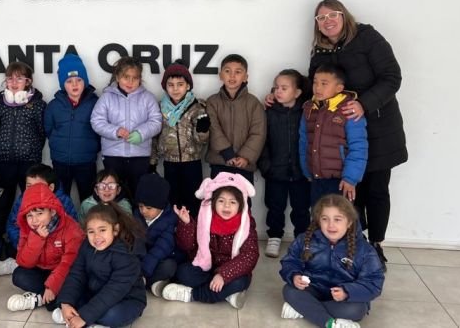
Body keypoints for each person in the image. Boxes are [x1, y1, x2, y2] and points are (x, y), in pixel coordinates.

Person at [307, 0, 407, 268]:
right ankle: (352, 245)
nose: (327, 21)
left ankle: (375, 245)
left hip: (377, 129)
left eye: (332, 15)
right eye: (321, 18)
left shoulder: (367, 37)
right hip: (337, 137)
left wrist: (364, 104)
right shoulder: (320, 50)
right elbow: (314, 86)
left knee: (375, 190)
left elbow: (391, 77)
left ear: (344, 16)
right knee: (349, 193)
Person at [279, 194, 385, 328]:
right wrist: (294, 276)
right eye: (325, 219)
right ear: (318, 220)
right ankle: (328, 322)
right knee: (289, 290)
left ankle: (304, 309)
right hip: (312, 290)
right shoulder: (304, 239)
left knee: (357, 310)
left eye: (337, 219)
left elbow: (374, 283)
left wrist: (347, 292)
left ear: (349, 222)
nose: (331, 225)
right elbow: (290, 262)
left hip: (343, 299)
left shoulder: (366, 250)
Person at [162, 172, 259, 309]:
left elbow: (250, 256)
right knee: (183, 272)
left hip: (230, 271)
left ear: (240, 205)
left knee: (239, 282)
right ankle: (226, 294)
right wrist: (186, 224)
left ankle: (192, 295)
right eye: (221, 201)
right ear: (213, 202)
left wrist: (223, 275)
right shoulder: (205, 217)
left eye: (232, 202)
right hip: (206, 268)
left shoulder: (246, 224)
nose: (226, 206)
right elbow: (187, 246)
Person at [56, 203, 147, 328]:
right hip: (96, 293)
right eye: (91, 232)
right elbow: (76, 274)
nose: (97, 237)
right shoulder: (86, 246)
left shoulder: (126, 255)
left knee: (111, 315)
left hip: (126, 298)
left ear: (115, 230)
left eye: (102, 230)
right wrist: (66, 303)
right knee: (68, 300)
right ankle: (78, 316)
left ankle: (86, 319)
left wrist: (84, 316)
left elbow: (114, 290)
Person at [6, 183, 84, 314]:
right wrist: (37, 238)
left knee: (73, 283)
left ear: (52, 211)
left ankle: (42, 299)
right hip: (42, 270)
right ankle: (46, 298)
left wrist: (52, 285)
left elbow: (69, 262)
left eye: (40, 213)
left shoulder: (71, 228)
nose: (34, 220)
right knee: (19, 275)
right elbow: (24, 261)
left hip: (64, 272)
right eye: (29, 215)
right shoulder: (28, 228)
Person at [90, 56, 162, 196]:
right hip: (113, 156)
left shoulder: (148, 98)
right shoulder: (106, 97)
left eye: (135, 78)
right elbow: (96, 121)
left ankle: (135, 218)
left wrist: (141, 133)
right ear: (117, 77)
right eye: (126, 77)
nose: (130, 82)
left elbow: (156, 122)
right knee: (115, 194)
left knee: (137, 194)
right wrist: (115, 131)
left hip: (140, 157)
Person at [258, 69, 311, 258]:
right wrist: (266, 166)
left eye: (284, 88)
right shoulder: (268, 113)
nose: (278, 91)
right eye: (276, 87)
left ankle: (302, 240)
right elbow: (262, 141)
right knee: (274, 205)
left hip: (300, 173)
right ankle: (274, 236)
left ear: (297, 93)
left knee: (301, 208)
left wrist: (309, 168)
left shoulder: (307, 112)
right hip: (275, 171)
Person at [0, 61, 47, 243]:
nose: (14, 82)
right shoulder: (0, 105)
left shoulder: (38, 105)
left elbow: (41, 131)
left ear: (28, 82)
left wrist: (32, 149)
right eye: (10, 78)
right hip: (5, 161)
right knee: (3, 202)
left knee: (29, 202)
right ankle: (1, 238)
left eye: (19, 78)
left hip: (29, 162)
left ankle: (29, 238)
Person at [299, 64, 368, 207]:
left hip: (341, 181)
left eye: (324, 84)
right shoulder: (309, 108)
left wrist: (350, 178)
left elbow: (359, 146)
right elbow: (303, 141)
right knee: (319, 219)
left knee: (341, 220)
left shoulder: (349, 110)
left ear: (339, 88)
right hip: (316, 178)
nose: (318, 88)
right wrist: (306, 170)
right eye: (315, 83)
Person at [152, 60, 210, 215]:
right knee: (173, 199)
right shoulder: (159, 108)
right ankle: (175, 232)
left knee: (193, 199)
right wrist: (152, 161)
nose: (175, 89)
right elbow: (155, 136)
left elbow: (202, 141)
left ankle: (193, 232)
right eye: (171, 85)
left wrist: (203, 130)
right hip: (170, 163)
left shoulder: (198, 107)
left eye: (180, 84)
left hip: (192, 162)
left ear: (188, 86)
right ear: (165, 87)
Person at [0, 163, 79, 271]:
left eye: (37, 186)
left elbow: (72, 228)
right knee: (16, 261)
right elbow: (12, 224)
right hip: (33, 251)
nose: (32, 190)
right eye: (29, 186)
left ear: (51, 187)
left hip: (57, 253)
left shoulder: (64, 201)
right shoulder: (22, 200)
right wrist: (25, 244)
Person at [44, 53, 100, 204]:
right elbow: (49, 129)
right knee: (60, 200)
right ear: (63, 84)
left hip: (86, 161)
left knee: (88, 201)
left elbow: (100, 130)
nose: (74, 85)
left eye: (79, 80)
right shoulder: (54, 106)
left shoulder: (96, 103)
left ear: (85, 82)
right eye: (69, 81)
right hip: (60, 162)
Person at [206, 54, 266, 184]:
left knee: (242, 202)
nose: (232, 76)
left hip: (243, 165)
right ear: (220, 75)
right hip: (219, 162)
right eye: (227, 71)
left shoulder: (253, 103)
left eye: (238, 72)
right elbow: (213, 128)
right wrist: (227, 152)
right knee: (217, 200)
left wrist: (245, 157)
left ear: (245, 77)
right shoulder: (212, 102)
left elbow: (258, 133)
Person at [133, 173, 180, 296]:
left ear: (161, 207)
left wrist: (143, 272)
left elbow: (162, 248)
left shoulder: (170, 220)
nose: (143, 211)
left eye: (148, 208)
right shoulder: (136, 216)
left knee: (169, 266)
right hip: (142, 261)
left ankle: (147, 282)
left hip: (160, 258)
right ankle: (151, 283)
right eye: (140, 206)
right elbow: (136, 244)